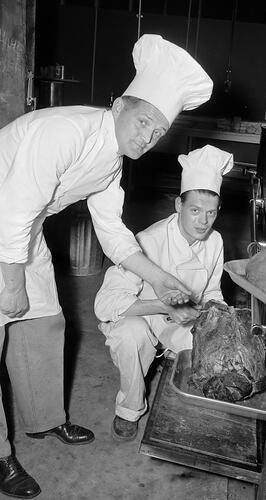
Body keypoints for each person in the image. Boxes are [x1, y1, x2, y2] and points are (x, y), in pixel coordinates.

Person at [0, 34, 213, 498]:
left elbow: (112, 231)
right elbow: (13, 207)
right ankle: (0, 456)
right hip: (5, 225)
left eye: (157, 133)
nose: (147, 137)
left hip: (24, 231)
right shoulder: (65, 132)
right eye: (142, 122)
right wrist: (11, 280)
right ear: (118, 106)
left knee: (44, 323)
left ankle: (42, 422)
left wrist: (160, 277)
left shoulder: (111, 162)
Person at [94, 145, 233, 441]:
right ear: (178, 206)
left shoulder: (215, 241)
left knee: (214, 351)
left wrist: (217, 317)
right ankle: (129, 408)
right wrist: (162, 306)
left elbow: (211, 290)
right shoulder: (147, 241)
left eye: (211, 213)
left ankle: (183, 390)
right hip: (141, 317)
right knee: (131, 336)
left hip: (182, 321)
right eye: (195, 210)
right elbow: (105, 304)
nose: (203, 222)